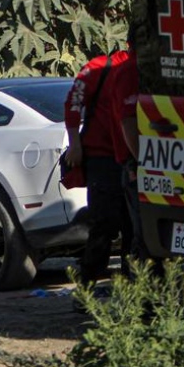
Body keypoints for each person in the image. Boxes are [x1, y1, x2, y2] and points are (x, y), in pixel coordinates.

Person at [64, 47, 139, 282]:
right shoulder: (99, 68)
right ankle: (87, 286)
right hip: (103, 158)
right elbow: (73, 103)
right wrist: (75, 143)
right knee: (104, 225)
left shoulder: (149, 68)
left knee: (133, 228)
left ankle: (132, 289)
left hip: (132, 158)